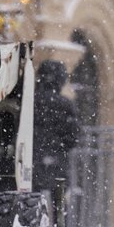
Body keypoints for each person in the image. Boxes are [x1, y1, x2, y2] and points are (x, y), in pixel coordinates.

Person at [33, 60, 81, 207]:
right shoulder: (65, 104)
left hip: (31, 161)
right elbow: (73, 136)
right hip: (57, 161)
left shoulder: (30, 100)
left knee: (32, 202)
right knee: (59, 203)